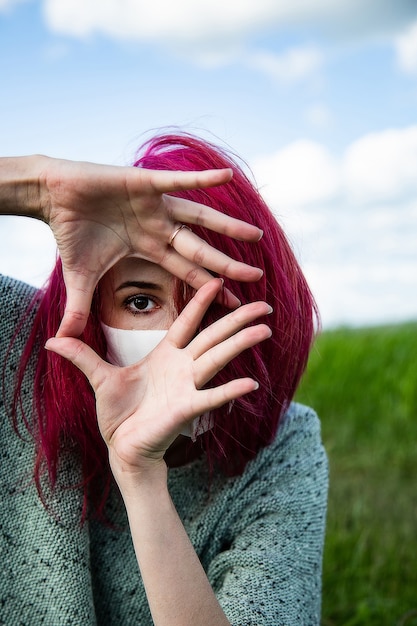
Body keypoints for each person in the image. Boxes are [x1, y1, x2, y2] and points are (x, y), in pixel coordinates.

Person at [0, 133, 328, 626]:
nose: (176, 338)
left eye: (210, 305)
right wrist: (37, 187)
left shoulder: (287, 448)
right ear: (89, 306)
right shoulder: (22, 347)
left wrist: (141, 479)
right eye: (140, 301)